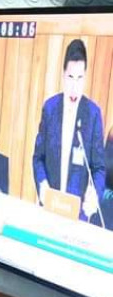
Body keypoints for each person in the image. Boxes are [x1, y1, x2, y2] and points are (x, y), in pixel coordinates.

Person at [31, 38, 106, 225]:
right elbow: (38, 158)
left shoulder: (93, 114)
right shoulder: (50, 109)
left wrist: (94, 194)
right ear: (63, 75)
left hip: (78, 218)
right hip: (49, 209)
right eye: (71, 77)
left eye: (80, 78)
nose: (75, 86)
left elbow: (99, 168)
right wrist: (42, 185)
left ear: (85, 77)